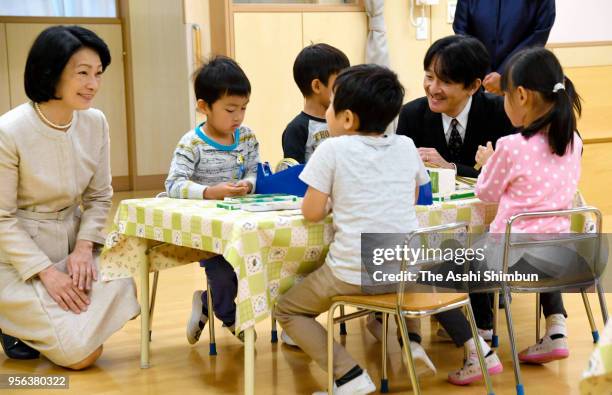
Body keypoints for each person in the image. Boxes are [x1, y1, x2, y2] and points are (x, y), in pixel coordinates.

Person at [275, 64, 431, 395]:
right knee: (401, 274)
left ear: (346, 119)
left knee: (288, 309)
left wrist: (334, 202)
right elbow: (413, 196)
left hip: (353, 273)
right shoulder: (405, 145)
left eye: (330, 106)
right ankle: (412, 342)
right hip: (405, 269)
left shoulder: (331, 149)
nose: (326, 112)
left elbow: (312, 212)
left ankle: (348, 376)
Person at [0, 25, 139, 369]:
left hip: (73, 242)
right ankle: (15, 319)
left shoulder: (95, 123)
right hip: (19, 257)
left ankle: (32, 324)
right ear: (51, 72)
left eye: (98, 74)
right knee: (82, 356)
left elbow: (99, 197)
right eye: (82, 73)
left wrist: (83, 247)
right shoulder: (9, 131)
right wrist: (46, 272)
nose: (92, 84)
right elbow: (2, 218)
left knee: (123, 277)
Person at [474, 47, 583, 364]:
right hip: (560, 255)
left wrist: (487, 162)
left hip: (512, 259)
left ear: (520, 95)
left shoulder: (511, 146)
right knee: (543, 240)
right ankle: (556, 329)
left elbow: (486, 193)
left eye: (505, 95)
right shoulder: (574, 141)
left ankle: (480, 345)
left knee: (466, 257)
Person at [165, 56, 259, 344]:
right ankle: (230, 317)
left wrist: (248, 184)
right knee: (222, 272)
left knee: (257, 267)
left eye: (243, 108)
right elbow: (173, 185)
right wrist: (209, 191)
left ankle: (207, 302)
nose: (238, 117)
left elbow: (255, 170)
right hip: (209, 230)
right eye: (230, 109)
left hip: (242, 222)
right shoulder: (191, 143)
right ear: (204, 107)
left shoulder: (246, 137)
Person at [396, 35, 513, 178]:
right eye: (429, 77)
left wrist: (451, 168)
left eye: (445, 81)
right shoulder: (411, 114)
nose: (433, 89)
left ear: (473, 86)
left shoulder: (502, 112)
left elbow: (511, 172)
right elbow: (401, 172)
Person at [453, 0, 556, 95]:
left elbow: (538, 35)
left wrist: (504, 75)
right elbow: (461, 31)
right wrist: (485, 73)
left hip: (521, 78)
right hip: (475, 79)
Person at [282, 43, 349, 164]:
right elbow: (293, 176)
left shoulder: (344, 121)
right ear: (317, 86)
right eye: (340, 83)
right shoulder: (297, 129)